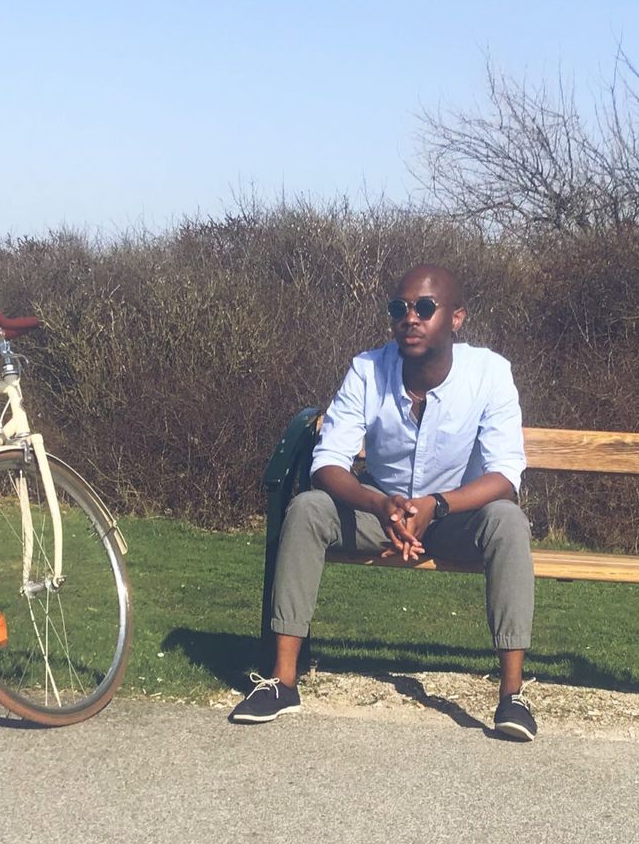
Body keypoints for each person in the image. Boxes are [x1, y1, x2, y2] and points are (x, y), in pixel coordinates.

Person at [229, 264, 538, 741]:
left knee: (509, 522)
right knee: (308, 508)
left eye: (425, 308)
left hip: (455, 516)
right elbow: (327, 462)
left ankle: (512, 697)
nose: (410, 318)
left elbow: (505, 475)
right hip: (381, 513)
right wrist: (379, 506)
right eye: (400, 308)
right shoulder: (368, 369)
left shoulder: (490, 373)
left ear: (456, 318)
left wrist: (436, 504)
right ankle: (281, 682)